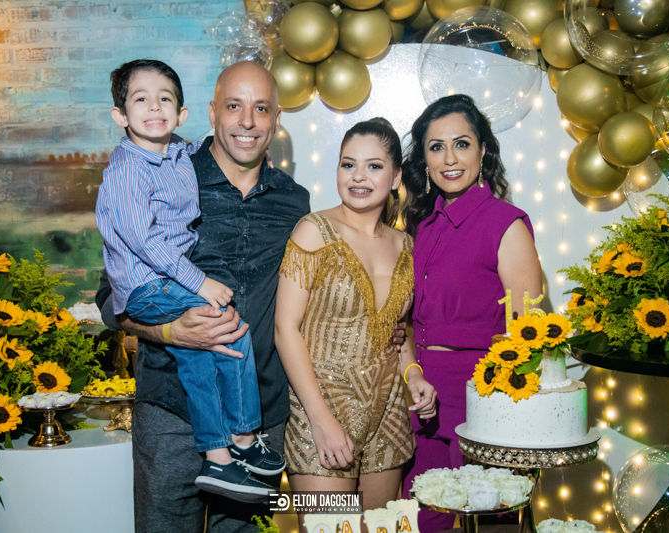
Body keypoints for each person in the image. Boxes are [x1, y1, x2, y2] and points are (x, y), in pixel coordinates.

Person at [95, 61, 310, 531]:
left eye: (261, 109)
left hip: (260, 413)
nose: (247, 121)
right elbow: (111, 296)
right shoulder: (167, 174)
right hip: (171, 409)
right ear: (212, 112)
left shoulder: (294, 202)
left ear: (277, 119)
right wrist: (171, 331)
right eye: (234, 106)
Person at [275, 118, 437, 531]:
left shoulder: (406, 245)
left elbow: (396, 331)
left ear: (396, 177)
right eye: (348, 165)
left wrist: (414, 374)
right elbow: (284, 329)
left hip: (388, 416)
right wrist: (321, 422)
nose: (358, 177)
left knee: (382, 531)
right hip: (320, 411)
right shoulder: (314, 231)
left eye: (374, 166)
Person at [399, 95, 542, 532]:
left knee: (492, 521)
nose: (450, 159)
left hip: (483, 400)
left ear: (483, 151)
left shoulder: (506, 224)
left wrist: (503, 412)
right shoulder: (422, 226)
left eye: (461, 144)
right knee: (420, 521)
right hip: (423, 398)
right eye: (436, 147)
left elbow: (528, 335)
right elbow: (406, 321)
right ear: (424, 160)